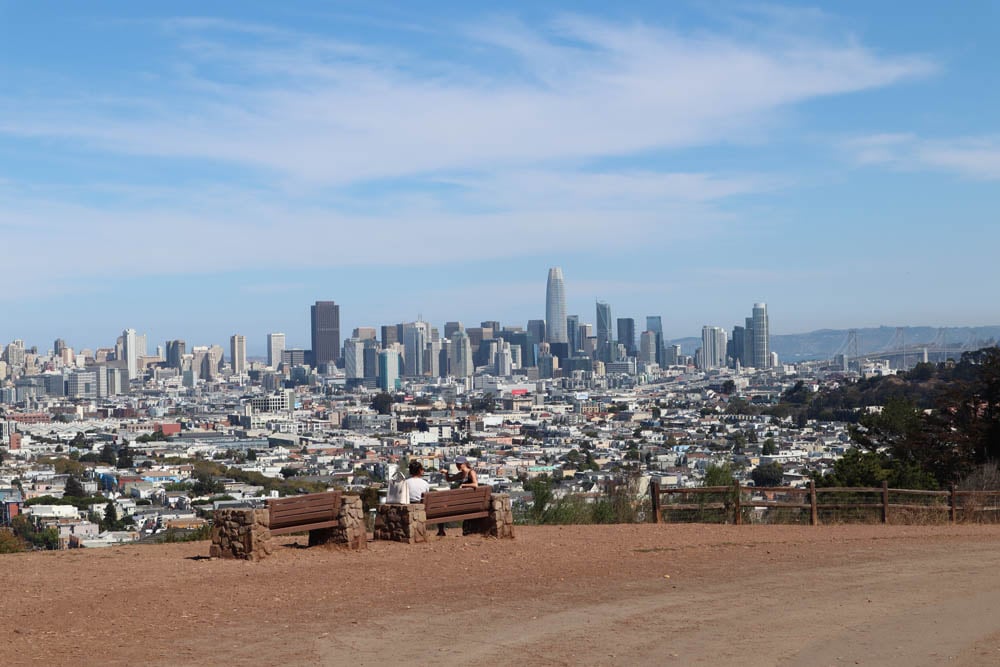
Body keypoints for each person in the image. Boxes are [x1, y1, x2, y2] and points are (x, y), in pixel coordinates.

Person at [435, 456, 478, 536]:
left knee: (441, 507)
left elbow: (475, 484)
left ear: (464, 464)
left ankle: (441, 531)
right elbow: (449, 479)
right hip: (465, 502)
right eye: (457, 464)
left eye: (459, 464)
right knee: (442, 507)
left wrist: (463, 485)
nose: (457, 466)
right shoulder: (461, 474)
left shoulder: (471, 472)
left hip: (467, 502)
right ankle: (441, 531)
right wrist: (446, 473)